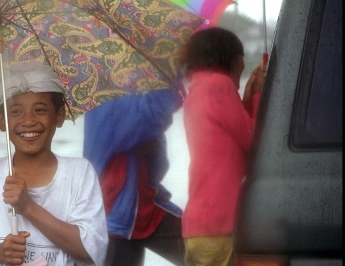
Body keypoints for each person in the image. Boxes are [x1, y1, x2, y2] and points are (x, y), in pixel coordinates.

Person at [0, 61, 108, 266]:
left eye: (39, 110)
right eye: (16, 112)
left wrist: (28, 207)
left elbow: (91, 251)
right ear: (2, 121)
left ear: (59, 116)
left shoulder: (79, 172)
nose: (28, 121)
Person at [178, 27, 267, 266]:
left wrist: (247, 102)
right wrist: (259, 95)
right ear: (231, 59)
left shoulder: (198, 89)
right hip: (218, 224)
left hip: (199, 226)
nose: (243, 67)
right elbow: (253, 142)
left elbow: (228, 137)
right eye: (242, 60)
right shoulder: (219, 85)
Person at [83, 85, 186, 265]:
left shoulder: (127, 98)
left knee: (201, 250)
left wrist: (150, 148)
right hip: (114, 216)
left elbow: (158, 166)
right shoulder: (106, 98)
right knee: (199, 251)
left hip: (145, 208)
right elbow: (153, 114)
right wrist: (172, 83)